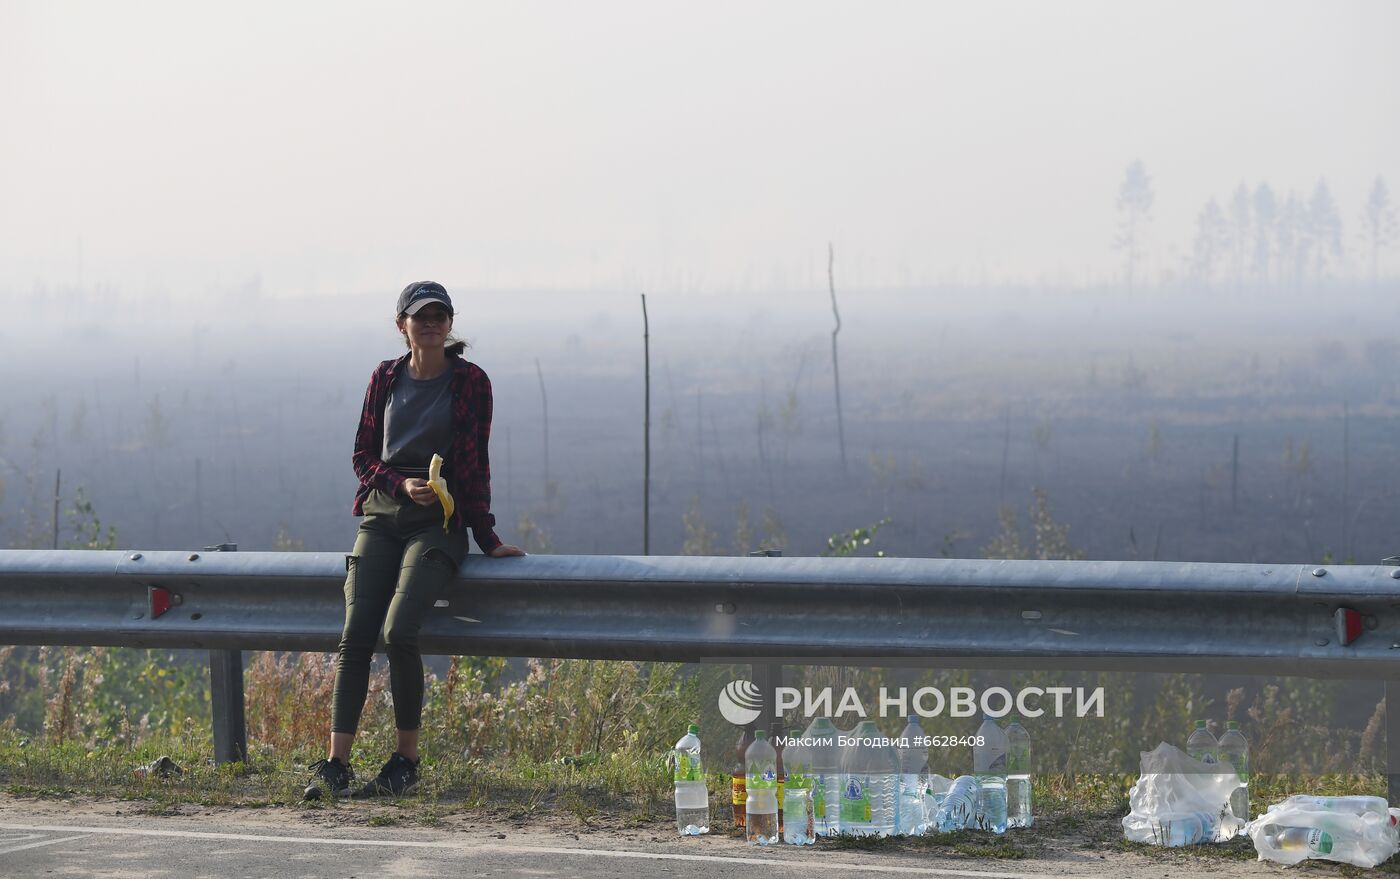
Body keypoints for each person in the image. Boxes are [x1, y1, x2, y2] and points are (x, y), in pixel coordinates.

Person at [305, 281, 525, 801]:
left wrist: (485, 535)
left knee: (400, 631)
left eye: (439, 315)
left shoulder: (471, 382)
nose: (430, 324)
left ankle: (406, 759)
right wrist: (399, 483)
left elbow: (475, 462)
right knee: (356, 635)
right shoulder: (385, 377)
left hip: (439, 523)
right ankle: (336, 763)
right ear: (401, 324)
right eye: (419, 316)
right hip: (383, 514)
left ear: (450, 324)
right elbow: (362, 456)